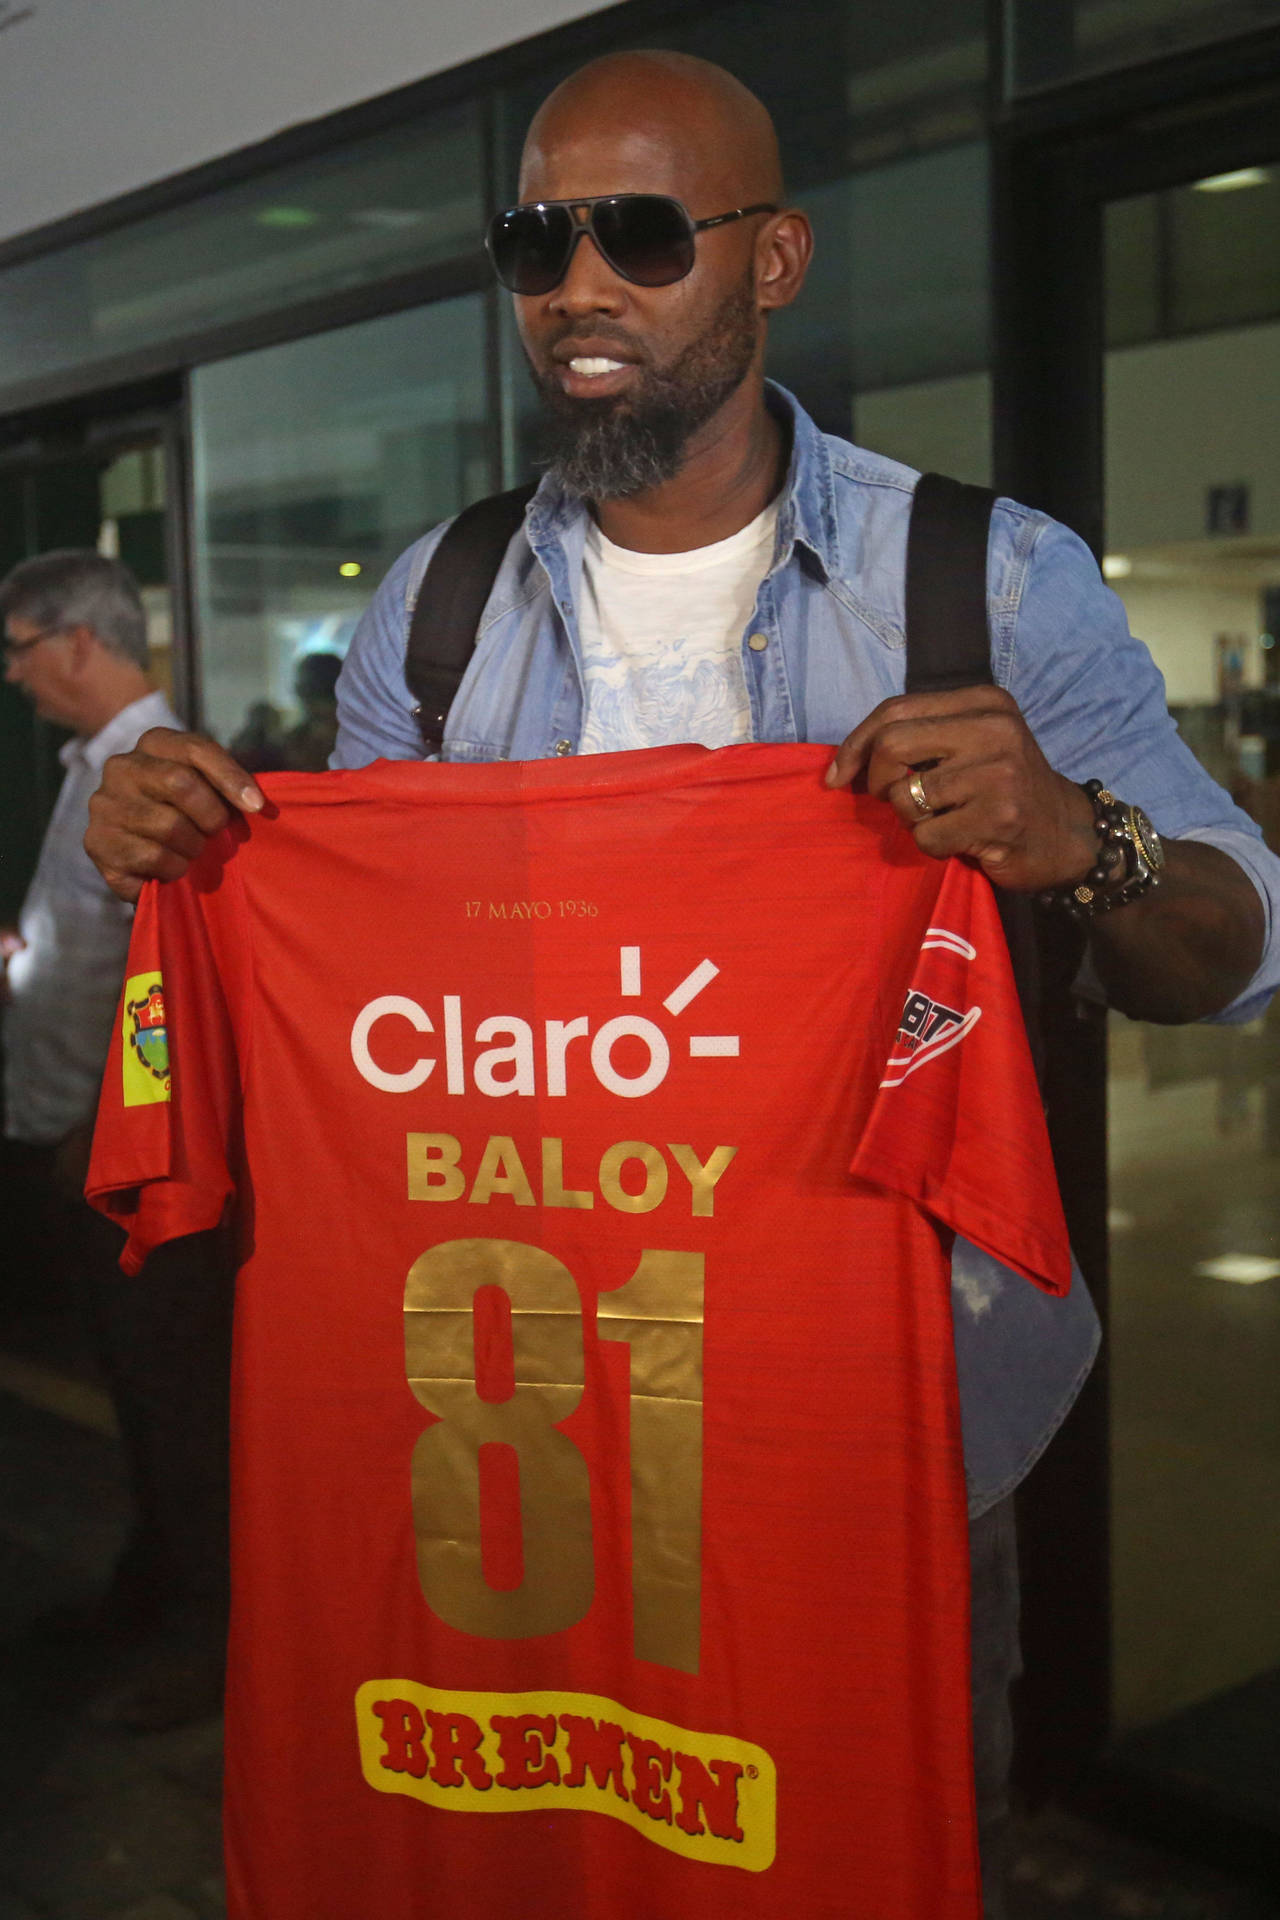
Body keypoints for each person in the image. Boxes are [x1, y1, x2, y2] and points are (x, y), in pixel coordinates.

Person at [83, 52, 1280, 1911]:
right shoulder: (439, 607)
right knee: (527, 1862)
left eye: (640, 235)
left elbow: (1236, 947)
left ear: (773, 258)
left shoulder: (983, 582)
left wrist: (1086, 839)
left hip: (878, 1433)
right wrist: (194, 858)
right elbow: (364, 1000)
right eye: (535, 242)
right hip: (517, 1442)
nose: (580, 288)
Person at [1, 550, 232, 1731]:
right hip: (76, 1137)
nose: (15, 674)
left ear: (78, 642)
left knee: (177, 1399)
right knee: (140, 1398)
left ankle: (208, 1641)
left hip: (128, 1159)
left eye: (20, 648)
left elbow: (181, 994)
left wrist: (103, 1131)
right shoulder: (92, 765)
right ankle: (151, 1595)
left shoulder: (160, 774)